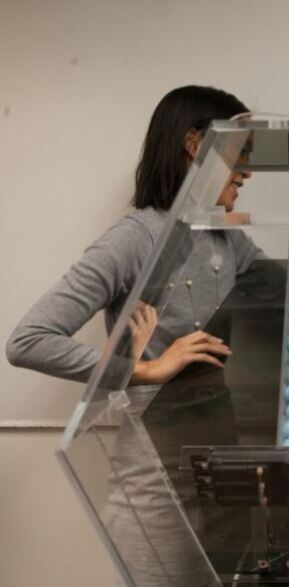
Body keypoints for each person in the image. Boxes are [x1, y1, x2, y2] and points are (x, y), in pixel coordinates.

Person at [5, 85, 270, 586]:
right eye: (242, 150)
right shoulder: (135, 238)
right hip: (157, 477)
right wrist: (144, 369)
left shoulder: (226, 236)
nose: (249, 169)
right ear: (195, 145)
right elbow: (28, 339)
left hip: (224, 460)